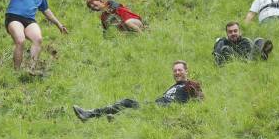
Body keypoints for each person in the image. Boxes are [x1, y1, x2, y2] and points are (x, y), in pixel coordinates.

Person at [73, 60, 203, 121]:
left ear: (186, 71)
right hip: (155, 105)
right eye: (174, 70)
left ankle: (95, 115)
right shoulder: (174, 87)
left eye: (180, 70)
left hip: (162, 110)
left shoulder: (190, 84)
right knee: (128, 103)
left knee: (128, 103)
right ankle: (95, 115)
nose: (177, 72)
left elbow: (199, 98)